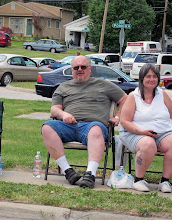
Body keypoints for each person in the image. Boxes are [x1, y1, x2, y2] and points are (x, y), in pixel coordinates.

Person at [41, 56, 127, 188]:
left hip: (93, 126)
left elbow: (125, 99)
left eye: (83, 67)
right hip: (68, 126)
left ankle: (90, 174)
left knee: (96, 129)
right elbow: (54, 110)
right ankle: (68, 172)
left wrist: (117, 116)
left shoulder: (103, 84)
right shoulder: (63, 87)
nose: (79, 70)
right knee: (47, 127)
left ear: (90, 69)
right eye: (76, 67)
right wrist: (63, 114)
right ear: (72, 70)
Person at [119, 63, 172, 193]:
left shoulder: (162, 94)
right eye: (148, 76)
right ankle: (138, 180)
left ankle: (165, 181)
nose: (151, 79)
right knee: (148, 143)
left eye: (154, 76)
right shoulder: (134, 96)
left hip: (162, 132)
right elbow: (125, 121)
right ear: (141, 78)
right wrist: (142, 132)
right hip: (135, 133)